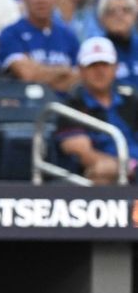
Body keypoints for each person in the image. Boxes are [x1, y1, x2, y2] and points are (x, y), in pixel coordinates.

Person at [56, 36, 138, 183]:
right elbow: (85, 156)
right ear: (81, 70)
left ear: (116, 68)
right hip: (113, 178)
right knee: (100, 171)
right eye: (93, 65)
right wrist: (130, 167)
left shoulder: (131, 100)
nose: (100, 71)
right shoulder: (71, 107)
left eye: (105, 64)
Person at [0, 0, 80, 92]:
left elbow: (78, 79)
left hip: (64, 106)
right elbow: (27, 74)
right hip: (24, 105)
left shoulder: (69, 36)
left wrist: (37, 69)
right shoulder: (11, 33)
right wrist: (63, 70)